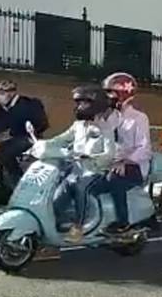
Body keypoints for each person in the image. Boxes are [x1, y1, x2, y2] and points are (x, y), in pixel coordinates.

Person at [49, 85, 117, 243]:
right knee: (59, 191)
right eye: (79, 104)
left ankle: (78, 227)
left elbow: (110, 154)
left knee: (81, 187)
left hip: (96, 172)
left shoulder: (105, 128)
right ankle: (55, 224)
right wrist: (40, 145)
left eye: (83, 104)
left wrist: (91, 157)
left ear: (95, 105)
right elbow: (60, 139)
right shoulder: (77, 126)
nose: (79, 107)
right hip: (76, 171)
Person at [0, 80, 50, 206]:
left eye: (4, 92)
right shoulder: (1, 109)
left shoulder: (28, 104)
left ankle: (20, 184)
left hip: (30, 138)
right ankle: (1, 196)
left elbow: (42, 124)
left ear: (12, 93)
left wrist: (33, 129)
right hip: (15, 138)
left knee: (3, 152)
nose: (0, 96)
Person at [100, 72, 152, 235]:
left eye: (111, 93)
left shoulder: (138, 118)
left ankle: (123, 223)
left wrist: (124, 161)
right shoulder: (105, 117)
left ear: (123, 94)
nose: (107, 97)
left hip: (133, 167)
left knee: (114, 180)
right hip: (108, 163)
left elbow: (144, 148)